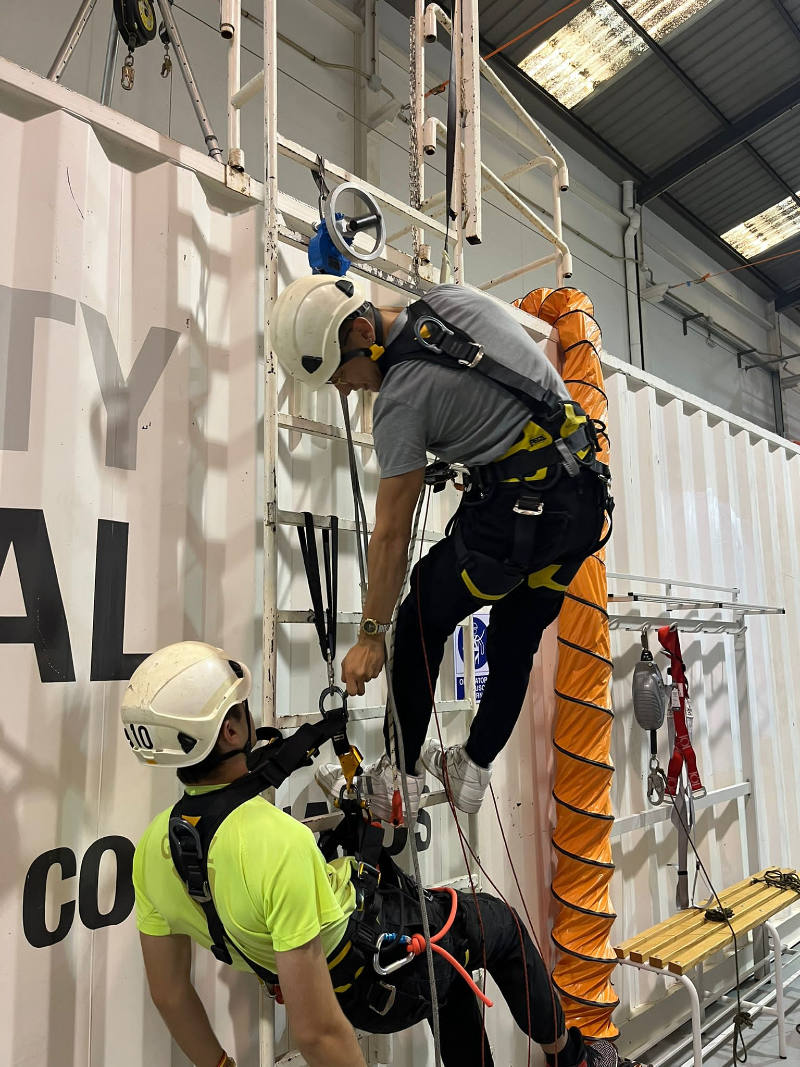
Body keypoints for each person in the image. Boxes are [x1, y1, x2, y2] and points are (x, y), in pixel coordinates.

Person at [124, 641, 628, 1067]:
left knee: (450, 979)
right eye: (240, 708)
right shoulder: (277, 843)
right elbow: (318, 1033)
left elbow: (169, 993)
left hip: (352, 977)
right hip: (378, 973)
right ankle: (574, 1057)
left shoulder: (152, 850)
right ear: (231, 732)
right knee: (500, 927)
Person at [273, 275, 611, 822]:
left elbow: (390, 535)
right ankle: (473, 767)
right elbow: (493, 390)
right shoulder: (451, 300)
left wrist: (371, 637)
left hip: (521, 508)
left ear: (362, 333)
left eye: (341, 374)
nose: (346, 390)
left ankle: (398, 777)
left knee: (417, 618)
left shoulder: (400, 401)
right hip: (582, 500)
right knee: (515, 637)